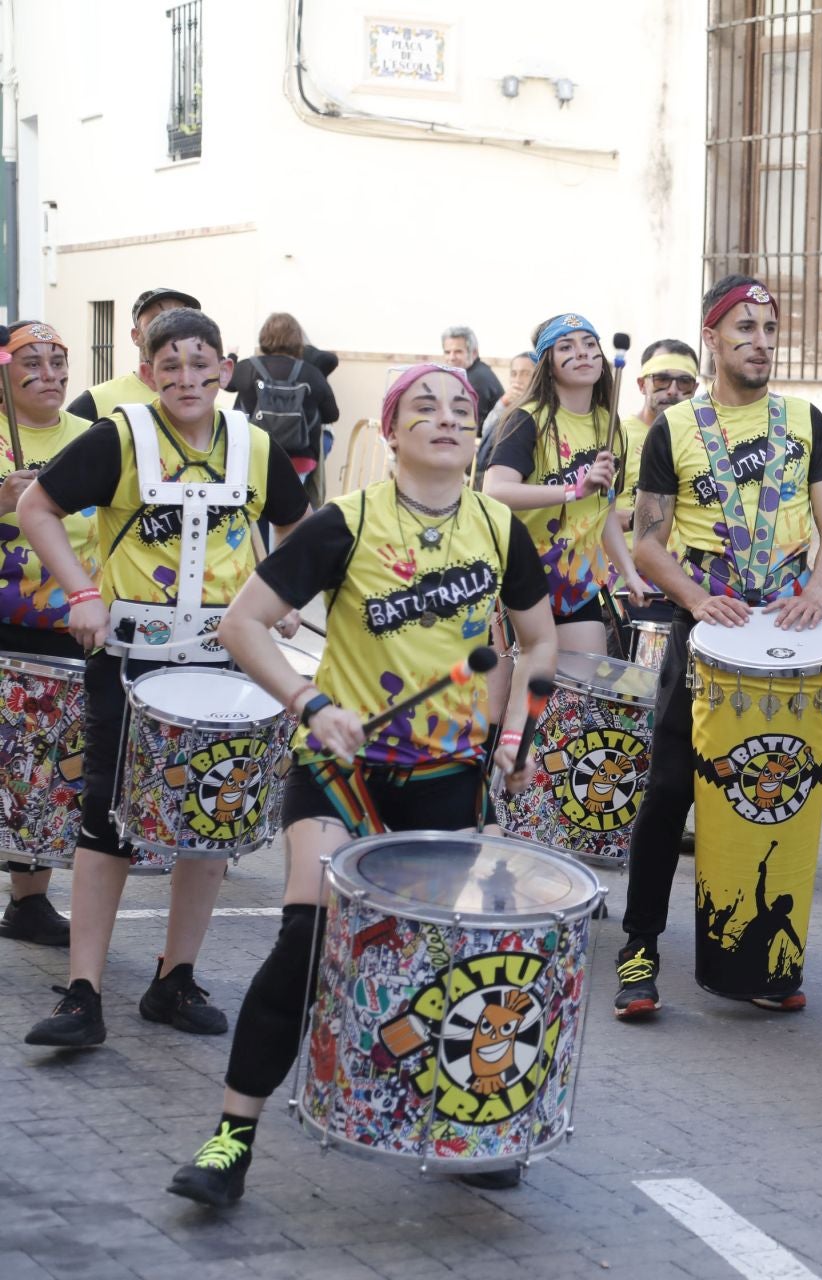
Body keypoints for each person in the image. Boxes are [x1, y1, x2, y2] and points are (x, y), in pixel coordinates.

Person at [166, 362, 557, 1208]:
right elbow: (242, 625)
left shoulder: (497, 528)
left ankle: (460, 1128)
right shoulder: (347, 522)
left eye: (463, 409)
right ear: (390, 433)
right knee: (308, 936)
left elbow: (539, 640)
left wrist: (516, 732)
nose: (449, 419)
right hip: (341, 771)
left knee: (445, 956)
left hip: (450, 775)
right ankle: (234, 1135)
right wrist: (310, 705)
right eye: (427, 407)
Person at [19, 307, 309, 1047]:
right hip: (130, 656)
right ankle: (83, 991)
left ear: (224, 368)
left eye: (200, 363)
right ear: (147, 373)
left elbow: (297, 524)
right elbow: (37, 506)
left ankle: (174, 979)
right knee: (106, 818)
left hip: (225, 659)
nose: (186, 377)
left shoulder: (254, 445)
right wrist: (82, 591)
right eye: (169, 365)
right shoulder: (119, 436)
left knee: (207, 820)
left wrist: (280, 595)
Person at [614, 275, 822, 1018]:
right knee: (669, 791)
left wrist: (815, 591)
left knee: (775, 794)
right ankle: (640, 948)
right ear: (712, 339)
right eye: (743, 328)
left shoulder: (806, 421)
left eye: (770, 329)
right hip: (706, 635)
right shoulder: (674, 428)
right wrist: (693, 599)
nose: (760, 342)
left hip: (790, 638)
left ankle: (760, 953)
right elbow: (648, 542)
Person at [0, 323, 97, 946]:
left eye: (60, 362)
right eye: (33, 362)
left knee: (42, 763)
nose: (52, 374)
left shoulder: (90, 439)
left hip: (67, 624)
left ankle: (28, 901)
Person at [481, 314, 644, 655]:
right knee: (522, 691)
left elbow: (605, 512)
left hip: (576, 584)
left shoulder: (610, 425)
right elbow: (495, 491)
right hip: (522, 576)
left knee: (581, 693)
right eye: (567, 347)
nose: (583, 353)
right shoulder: (527, 419)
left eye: (590, 345)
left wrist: (629, 573)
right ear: (548, 364)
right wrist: (574, 490)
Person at [66, 286, 230, 420]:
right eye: (157, 321)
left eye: (183, 321)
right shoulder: (94, 403)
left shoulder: (220, 419)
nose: (172, 330)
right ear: (135, 336)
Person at [231, 312, 339, 508]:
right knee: (289, 516)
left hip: (254, 459)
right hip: (299, 462)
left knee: (257, 513)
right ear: (298, 340)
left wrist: (231, 356)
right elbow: (332, 414)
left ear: (263, 337)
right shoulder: (311, 372)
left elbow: (225, 383)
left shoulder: (247, 368)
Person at [622, 338, 702, 472]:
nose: (672, 391)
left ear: (694, 389)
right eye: (662, 380)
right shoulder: (620, 437)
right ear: (642, 385)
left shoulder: (707, 439)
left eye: (684, 382)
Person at [443, 325, 505, 424]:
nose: (451, 357)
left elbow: (471, 425)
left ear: (474, 353)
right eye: (447, 352)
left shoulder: (477, 379)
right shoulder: (474, 371)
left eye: (458, 351)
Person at [480, 351, 537, 439]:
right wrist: (503, 404)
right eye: (514, 374)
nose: (518, 380)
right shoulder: (507, 402)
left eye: (526, 374)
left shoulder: (542, 406)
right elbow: (486, 432)